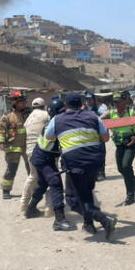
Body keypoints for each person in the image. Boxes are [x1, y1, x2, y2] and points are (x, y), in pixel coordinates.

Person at [45, 92, 117, 240]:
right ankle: (88, 224)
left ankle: (104, 219)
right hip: (95, 162)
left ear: (65, 105)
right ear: (81, 104)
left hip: (75, 164)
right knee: (86, 193)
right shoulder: (93, 116)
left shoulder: (57, 119)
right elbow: (106, 138)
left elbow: (49, 137)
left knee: (73, 200)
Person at [25, 98, 76, 231]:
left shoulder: (56, 122)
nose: (64, 113)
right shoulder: (56, 124)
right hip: (43, 158)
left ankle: (30, 209)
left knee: (42, 185)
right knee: (56, 184)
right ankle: (59, 219)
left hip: (41, 157)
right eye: (61, 112)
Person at [109, 91, 135, 205]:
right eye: (115, 102)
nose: (116, 104)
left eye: (119, 102)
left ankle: (130, 194)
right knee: (121, 169)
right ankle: (133, 181)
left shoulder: (132, 112)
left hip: (131, 143)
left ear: (125, 101)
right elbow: (99, 119)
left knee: (125, 165)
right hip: (119, 144)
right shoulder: (111, 113)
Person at [0, 90, 30, 199]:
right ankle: (6, 190)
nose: (24, 103)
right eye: (21, 101)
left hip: (27, 145)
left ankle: (36, 188)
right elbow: (1, 130)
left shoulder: (29, 114)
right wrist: (1, 142)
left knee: (32, 168)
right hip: (12, 147)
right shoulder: (8, 117)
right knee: (11, 169)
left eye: (25, 101)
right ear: (14, 103)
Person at [20, 97, 50, 213]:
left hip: (30, 151)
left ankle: (23, 203)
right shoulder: (46, 115)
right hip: (44, 150)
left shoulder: (28, 118)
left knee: (32, 176)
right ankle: (49, 207)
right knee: (51, 177)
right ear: (44, 106)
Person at [84, 91, 108, 182]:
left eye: (90, 99)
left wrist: (97, 118)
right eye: (87, 99)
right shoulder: (84, 108)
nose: (88, 101)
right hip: (88, 135)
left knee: (101, 153)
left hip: (99, 133)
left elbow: (107, 113)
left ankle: (102, 173)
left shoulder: (100, 107)